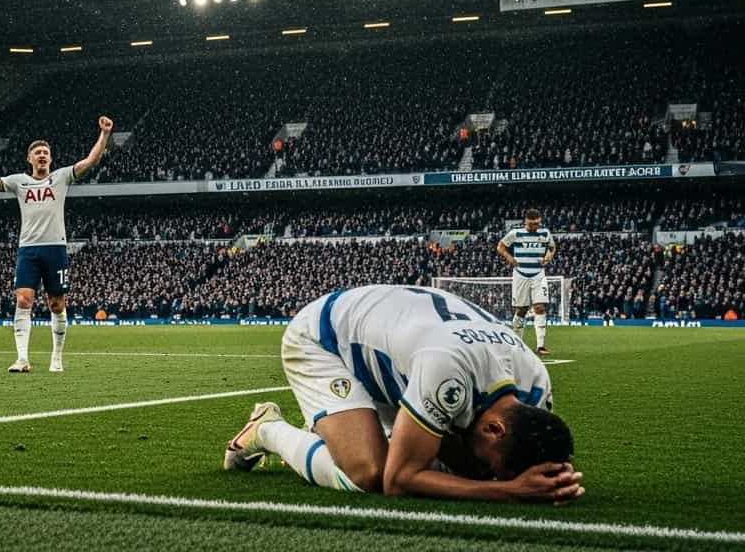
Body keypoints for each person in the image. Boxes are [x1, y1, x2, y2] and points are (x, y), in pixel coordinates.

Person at [223, 284, 582, 504]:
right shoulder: (447, 372)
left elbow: (534, 453)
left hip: (398, 350)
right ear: (495, 429)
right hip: (326, 338)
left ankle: (337, 428)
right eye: (493, 465)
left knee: (459, 461)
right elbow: (398, 481)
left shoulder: (536, 385)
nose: (488, 473)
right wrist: (506, 491)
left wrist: (556, 481)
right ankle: (267, 429)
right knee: (369, 473)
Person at [0, 115, 113, 373]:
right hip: (28, 250)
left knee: (56, 303)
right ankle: (22, 359)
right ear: (29, 159)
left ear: (51, 158)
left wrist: (105, 134)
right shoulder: (18, 182)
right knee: (23, 300)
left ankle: (57, 357)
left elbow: (91, 161)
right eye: (38, 153)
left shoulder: (61, 177)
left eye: (46, 152)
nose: (42, 156)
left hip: (56, 248)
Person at [497, 208, 557, 355]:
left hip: (538, 274)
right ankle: (517, 345)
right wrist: (509, 257)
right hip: (520, 274)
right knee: (521, 310)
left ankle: (540, 346)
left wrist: (548, 257)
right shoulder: (515, 233)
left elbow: (552, 248)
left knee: (540, 307)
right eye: (531, 224)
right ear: (525, 222)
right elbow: (500, 246)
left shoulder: (545, 233)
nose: (533, 227)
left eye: (536, 224)